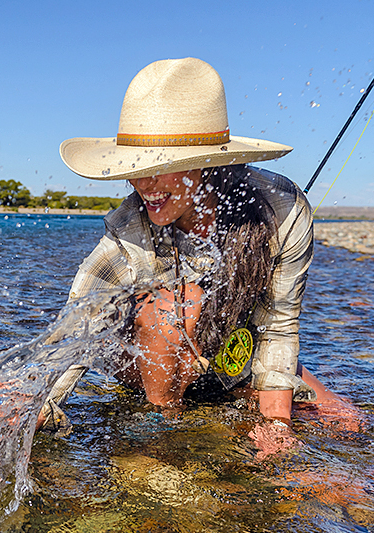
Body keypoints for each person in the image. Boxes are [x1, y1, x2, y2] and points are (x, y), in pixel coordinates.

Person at [37, 57, 357, 455]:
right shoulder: (128, 232)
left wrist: (276, 429)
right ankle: (162, 433)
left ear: (207, 166)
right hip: (147, 359)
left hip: (229, 359)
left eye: (160, 167)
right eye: (135, 167)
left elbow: (277, 326)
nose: (142, 183)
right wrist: (9, 421)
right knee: (177, 306)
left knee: (346, 421)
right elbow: (70, 339)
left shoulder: (284, 211)